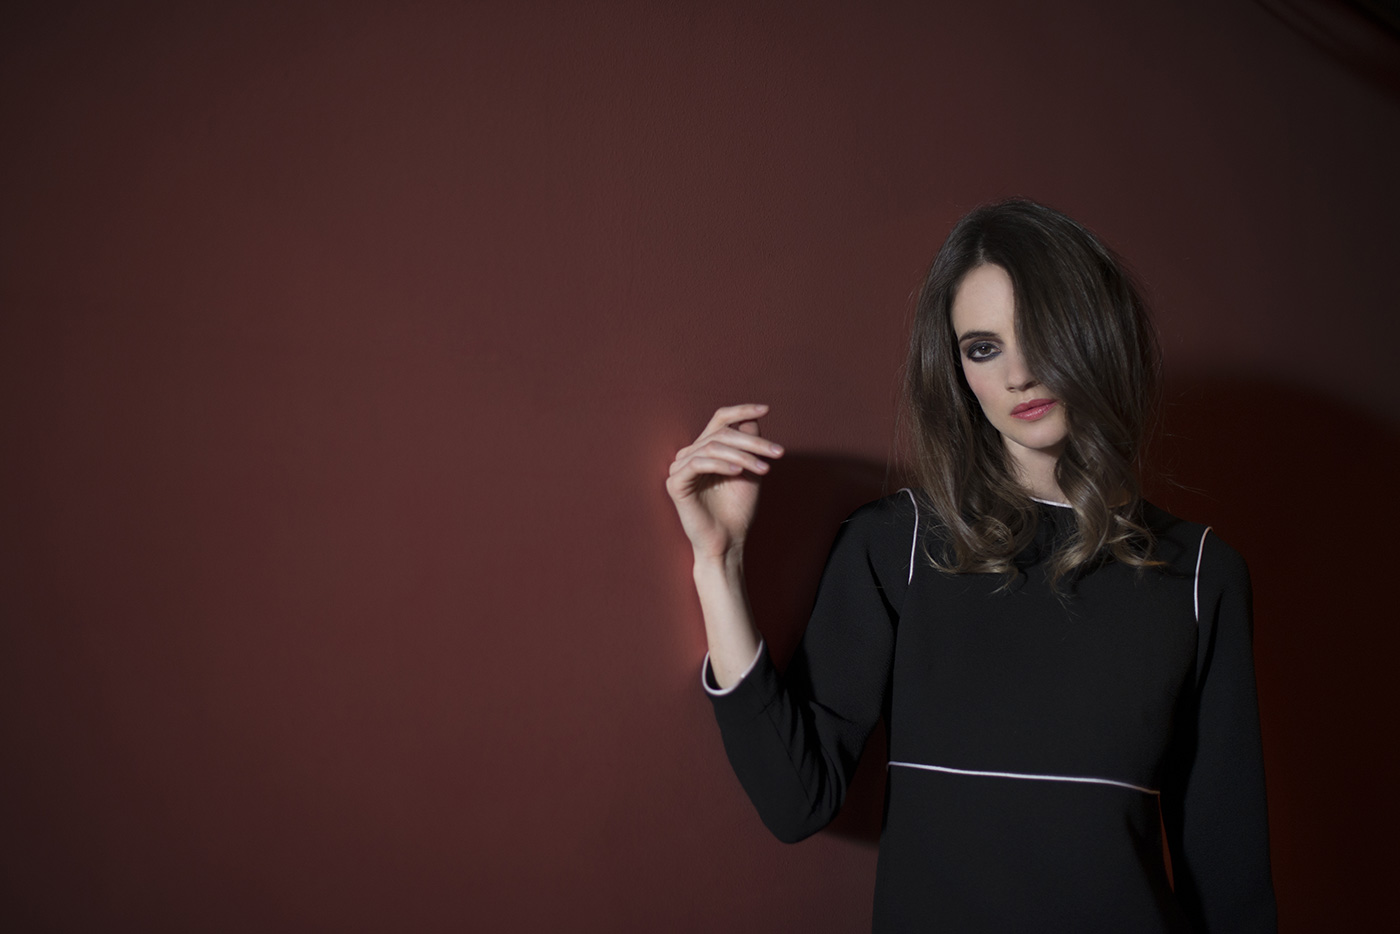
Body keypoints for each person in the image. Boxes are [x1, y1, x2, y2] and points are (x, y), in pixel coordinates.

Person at [665, 199, 1277, 932]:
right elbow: (797, 801)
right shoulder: (896, 544)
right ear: (957, 369)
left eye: (1042, 332)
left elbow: (1229, 877)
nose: (1019, 373)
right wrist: (718, 562)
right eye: (983, 347)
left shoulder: (1202, 573)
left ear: (1099, 332)